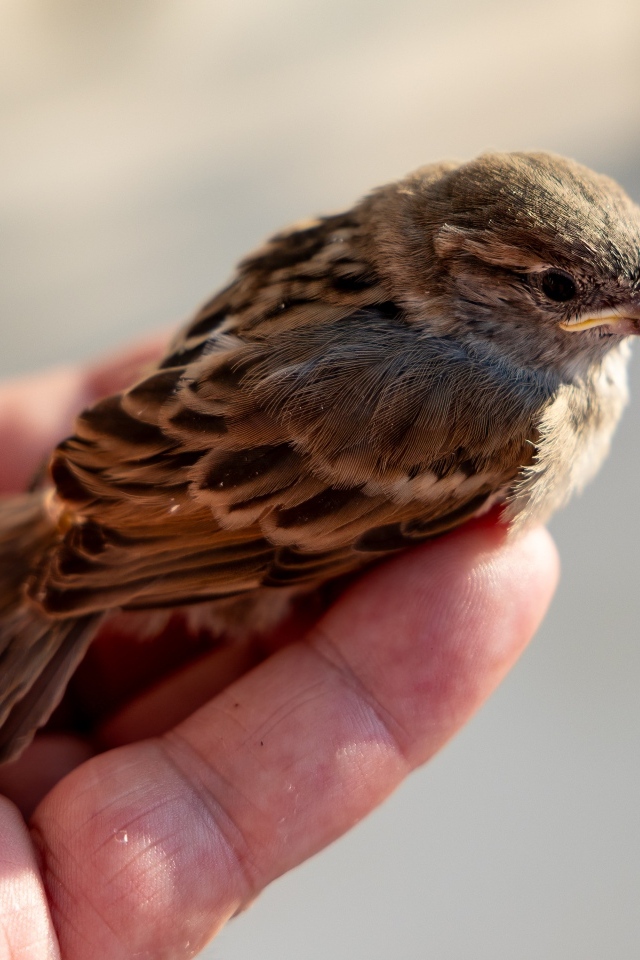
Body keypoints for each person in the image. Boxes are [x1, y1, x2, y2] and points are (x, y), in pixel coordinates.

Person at [0, 341, 558, 958]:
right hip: (155, 530)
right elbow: (261, 534)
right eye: (558, 288)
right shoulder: (499, 421)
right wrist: (90, 564)